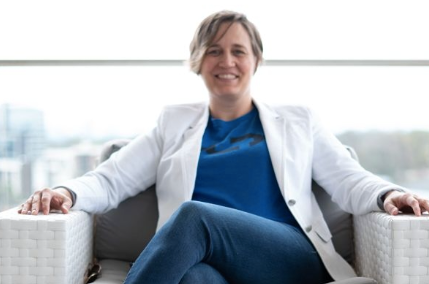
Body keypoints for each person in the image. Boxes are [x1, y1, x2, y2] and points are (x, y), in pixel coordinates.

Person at [19, 10, 429, 284]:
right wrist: (67, 193)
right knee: (193, 278)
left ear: (257, 60)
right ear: (197, 61)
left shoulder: (297, 119)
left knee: (195, 216)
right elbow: (111, 179)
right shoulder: (174, 123)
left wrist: (389, 193)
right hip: (211, 263)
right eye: (213, 51)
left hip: (284, 256)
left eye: (238, 51)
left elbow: (348, 179)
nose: (226, 61)